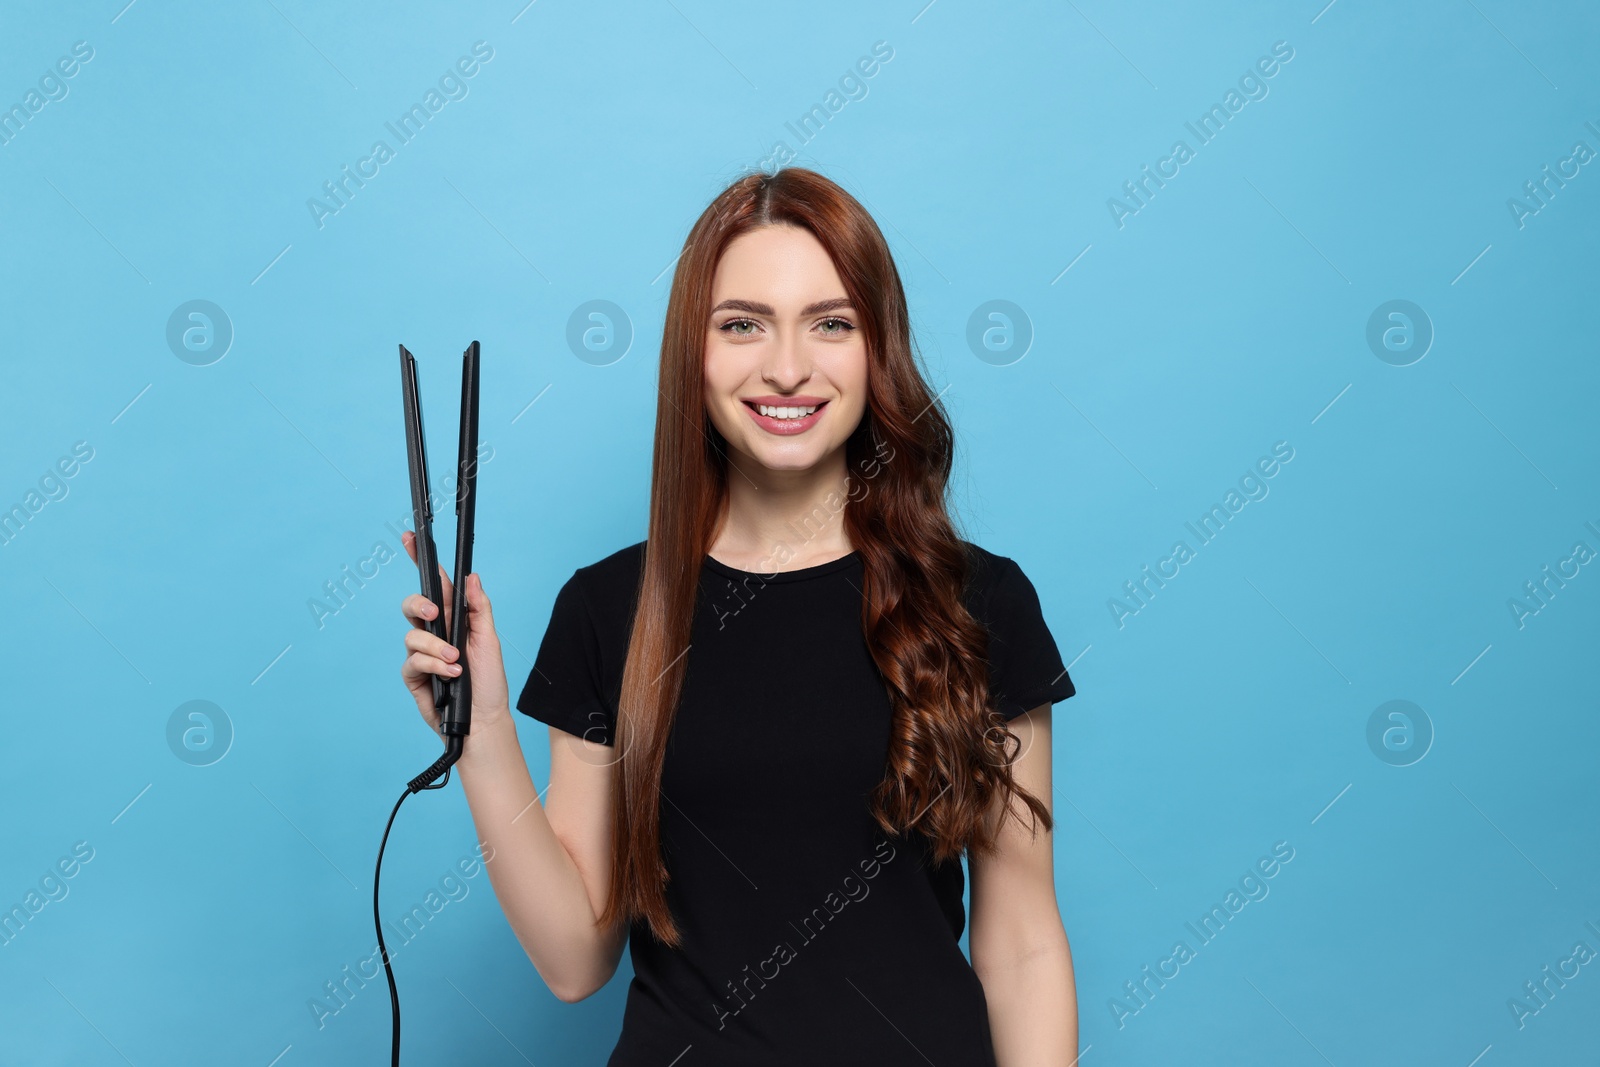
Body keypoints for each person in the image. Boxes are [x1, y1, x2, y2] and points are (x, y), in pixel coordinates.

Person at [398, 166, 1080, 1065]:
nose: (787, 366)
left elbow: (1023, 945)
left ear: (878, 348)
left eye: (830, 324)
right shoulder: (610, 610)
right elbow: (574, 959)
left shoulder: (979, 604)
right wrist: (482, 732)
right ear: (695, 352)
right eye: (742, 325)